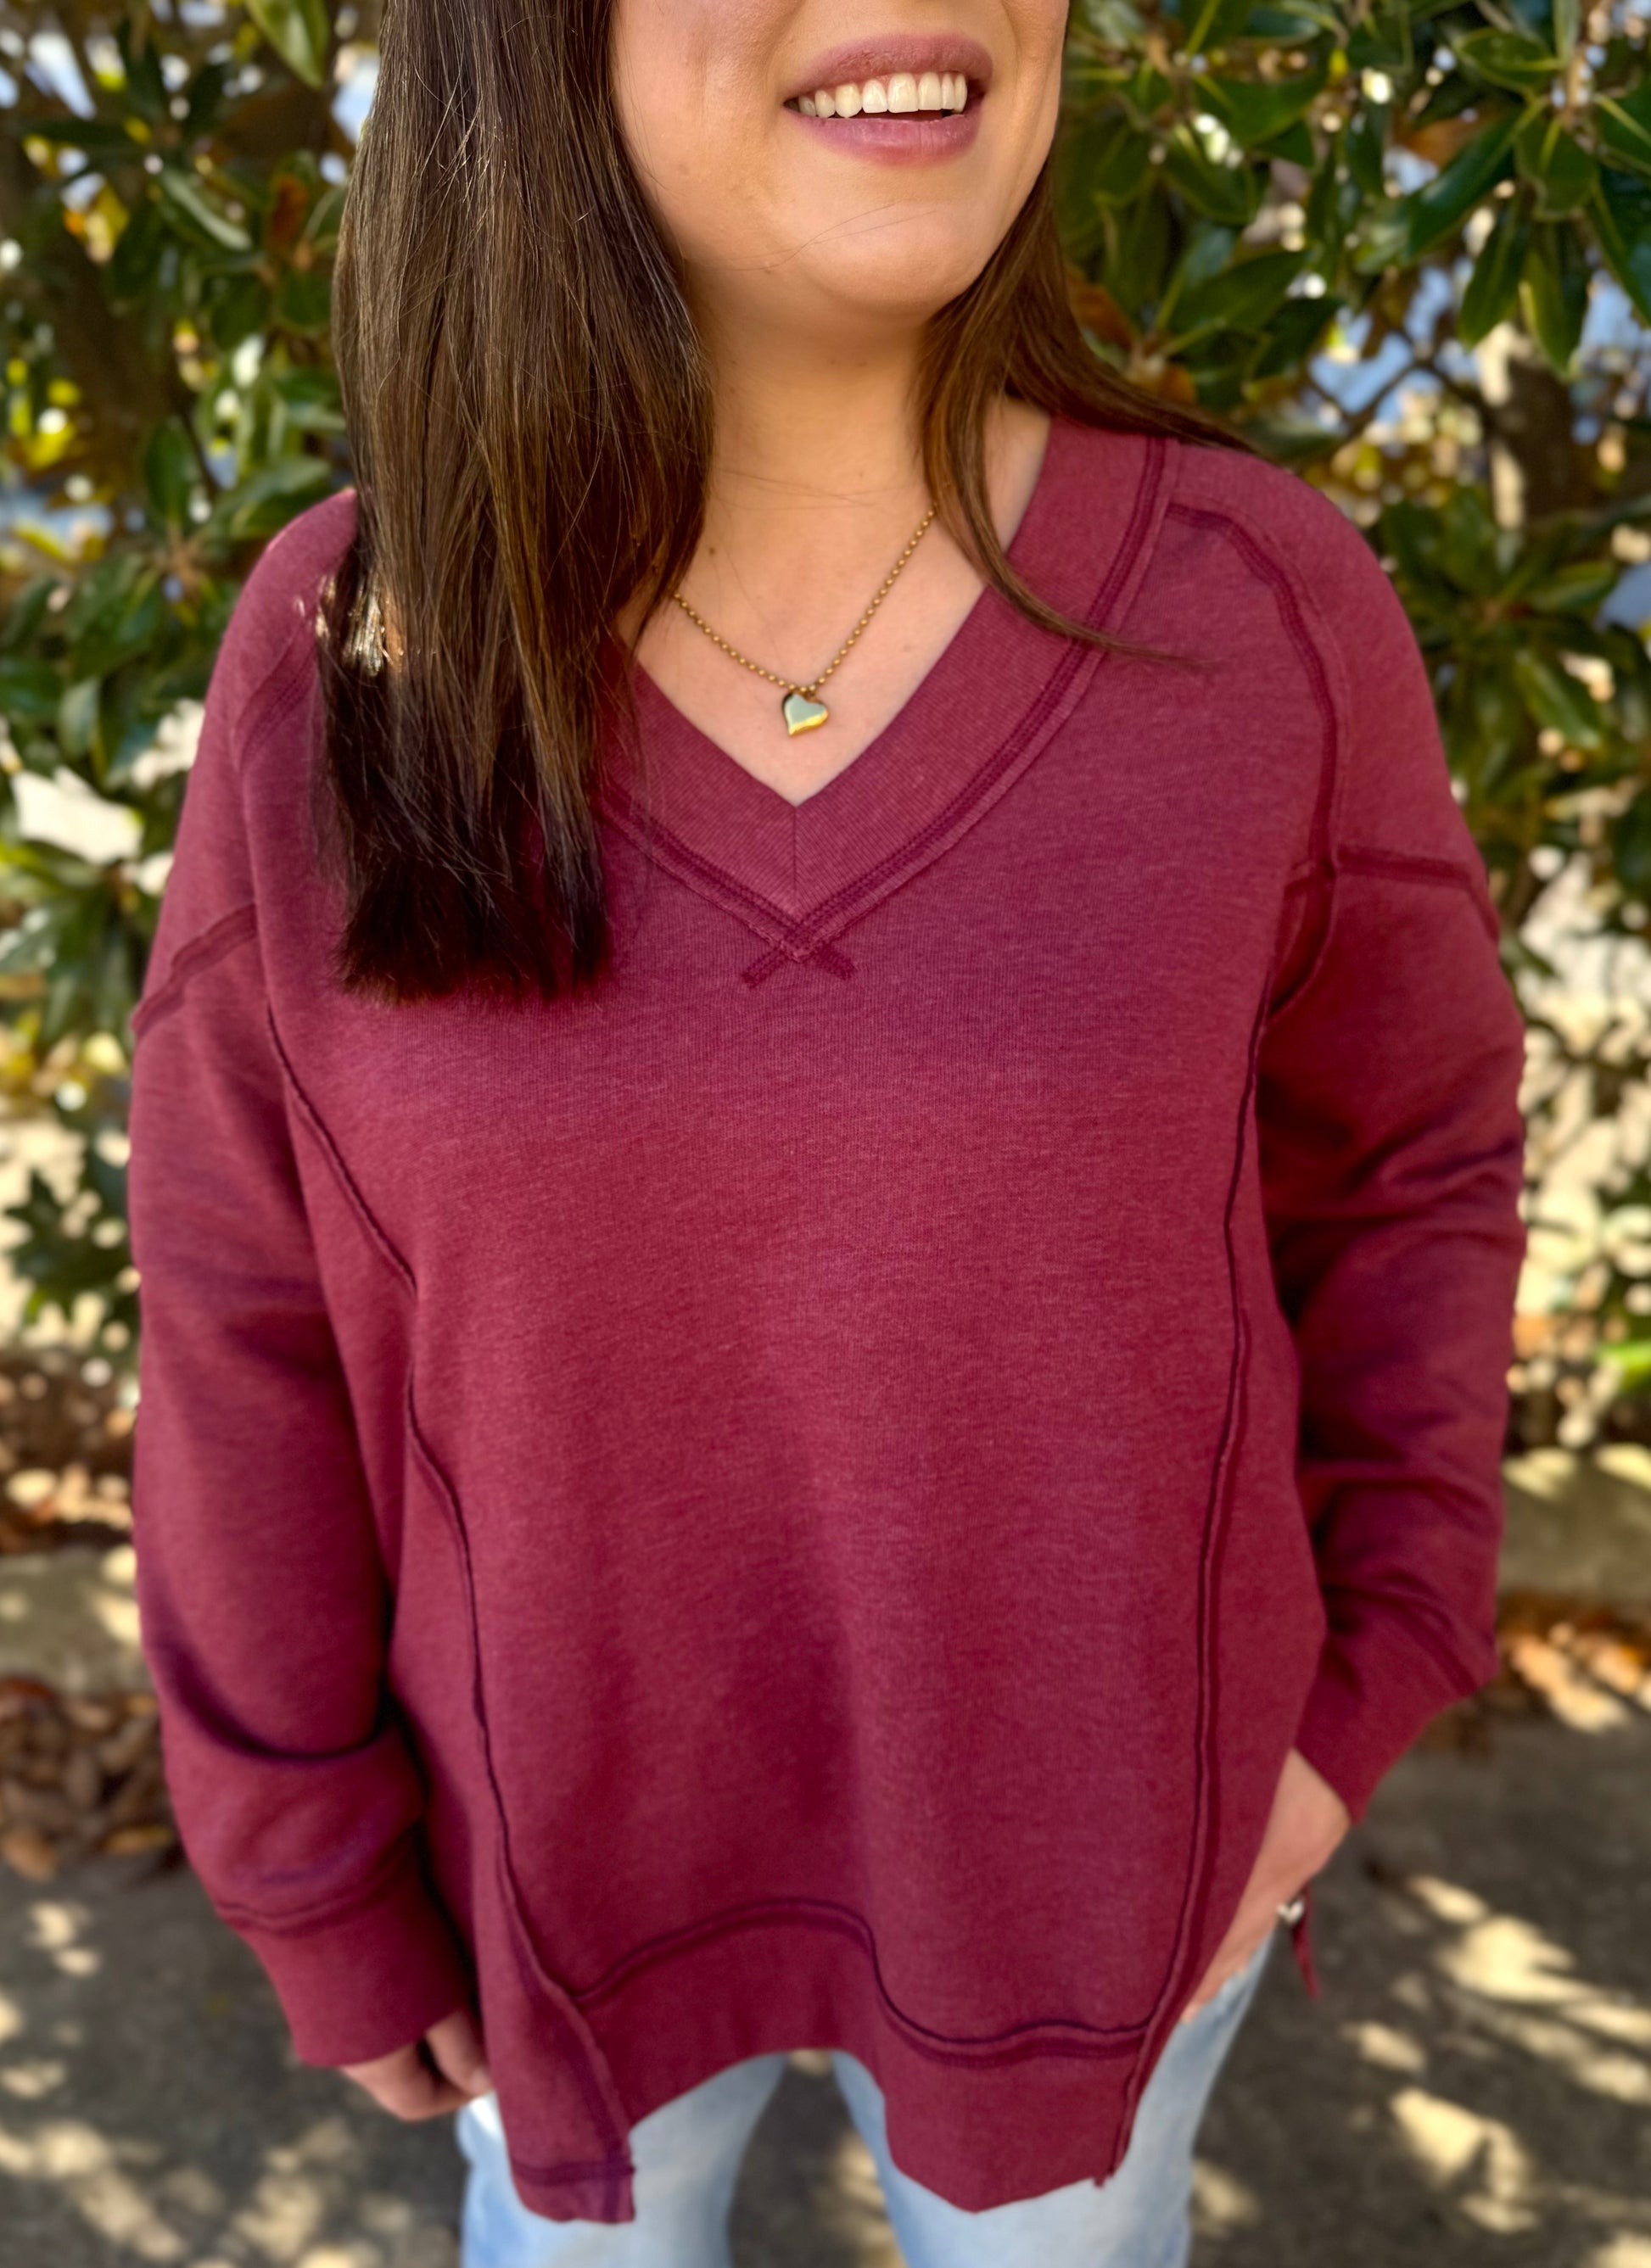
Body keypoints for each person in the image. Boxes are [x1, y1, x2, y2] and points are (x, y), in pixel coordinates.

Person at [125, 3, 1530, 2264]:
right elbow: (241, 1301)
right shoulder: (350, 656)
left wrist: (1351, 1690)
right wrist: (304, 1861)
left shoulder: (1258, 614)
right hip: (542, 1889)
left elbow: (1412, 1173)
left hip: (1104, 1884)